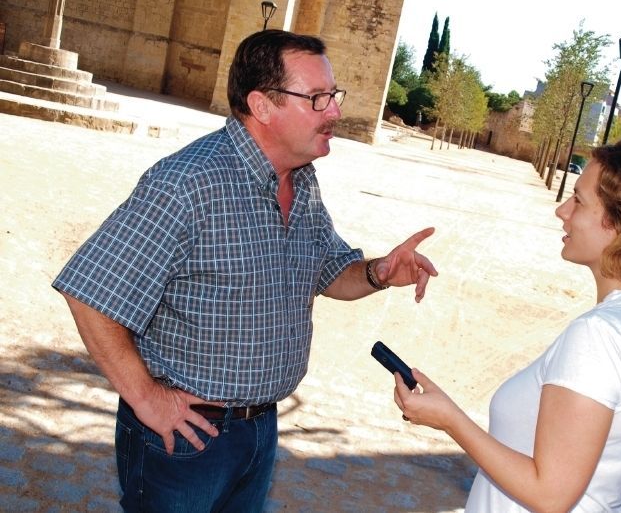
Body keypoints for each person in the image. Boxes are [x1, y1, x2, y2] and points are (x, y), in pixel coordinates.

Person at [52, 29, 437, 513]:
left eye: (333, 95)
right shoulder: (188, 184)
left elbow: (330, 272)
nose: (335, 111)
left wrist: (380, 271)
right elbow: (90, 293)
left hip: (260, 432)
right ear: (262, 105)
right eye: (317, 98)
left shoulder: (301, 179)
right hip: (185, 440)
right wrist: (146, 398)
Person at [391, 138, 621, 512]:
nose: (562, 211)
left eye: (579, 201)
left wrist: (450, 420)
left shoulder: (601, 336)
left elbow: (551, 494)